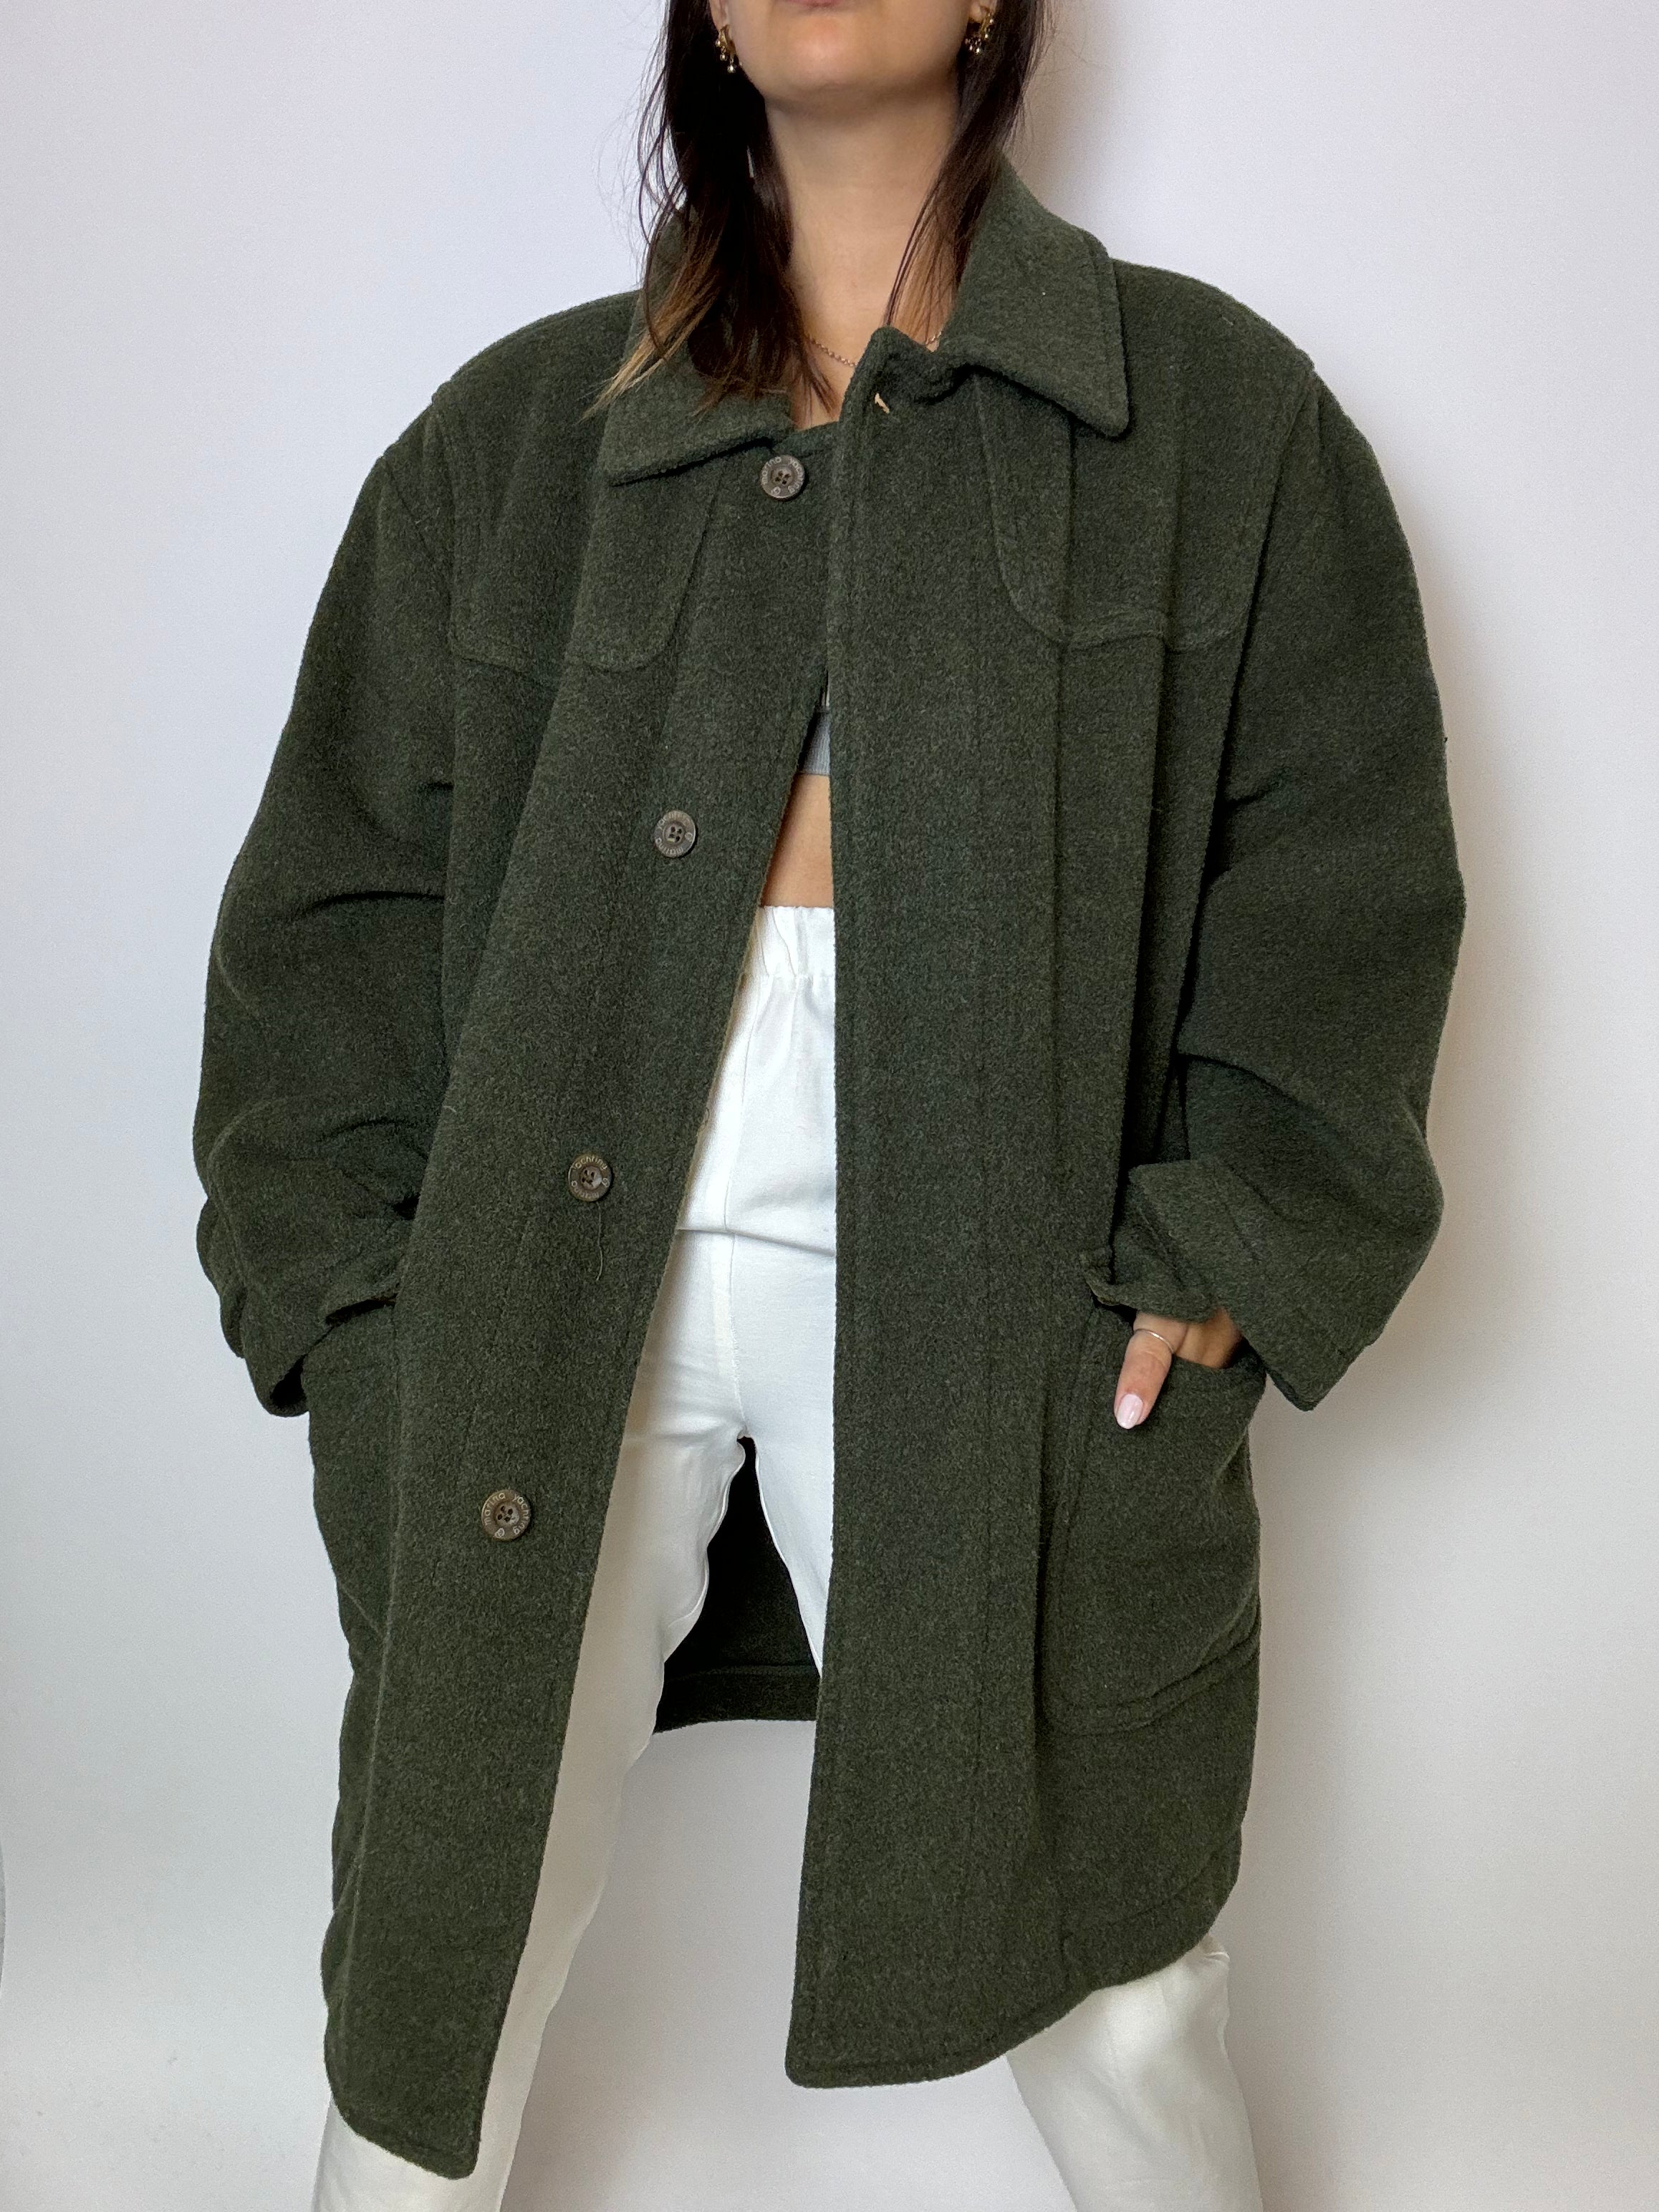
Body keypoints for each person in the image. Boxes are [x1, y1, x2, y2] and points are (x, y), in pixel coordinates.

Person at [191, 1, 1466, 2206]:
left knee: (1105, 1929)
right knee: (456, 1890)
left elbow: (1333, 876)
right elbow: (338, 893)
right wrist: (353, 1306)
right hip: (564, 1224)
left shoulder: (1208, 417)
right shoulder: (517, 438)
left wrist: (1231, 1251)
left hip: (997, 1227)